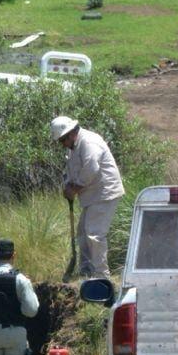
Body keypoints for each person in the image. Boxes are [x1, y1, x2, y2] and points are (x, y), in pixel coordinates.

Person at [50, 116, 125, 278]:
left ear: (70, 134)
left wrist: (75, 189)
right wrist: (68, 185)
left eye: (62, 140)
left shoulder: (89, 142)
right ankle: (86, 271)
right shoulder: (74, 147)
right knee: (83, 234)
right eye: (60, 141)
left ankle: (101, 276)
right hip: (92, 196)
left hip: (105, 193)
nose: (62, 144)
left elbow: (92, 168)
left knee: (94, 234)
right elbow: (72, 170)